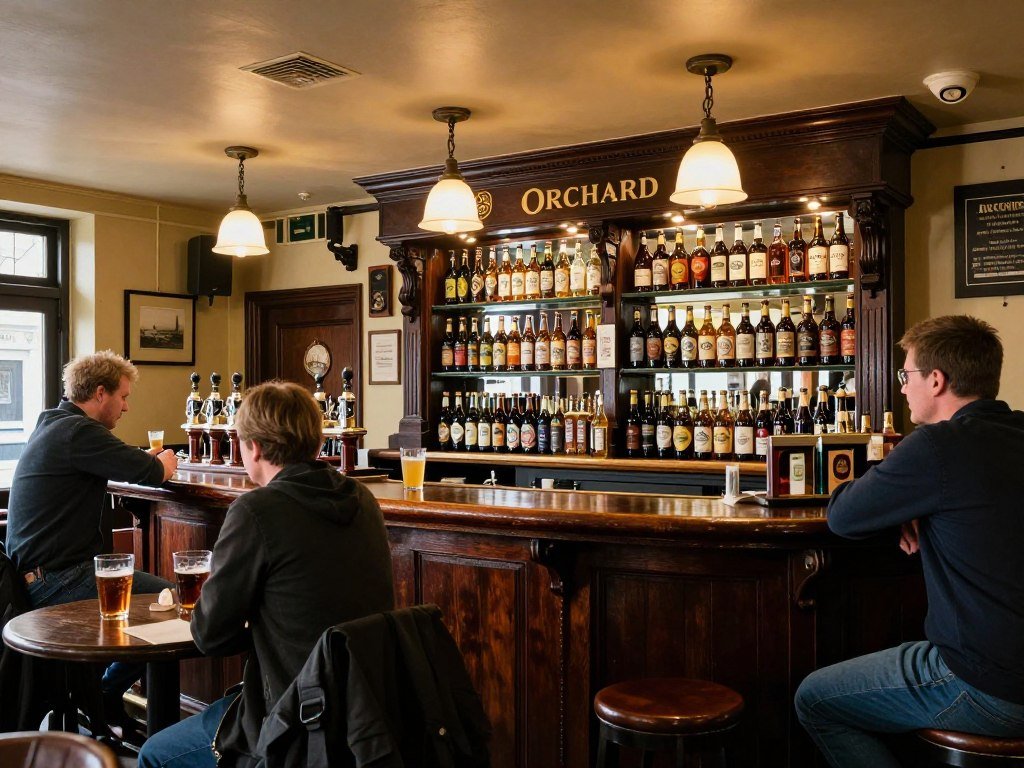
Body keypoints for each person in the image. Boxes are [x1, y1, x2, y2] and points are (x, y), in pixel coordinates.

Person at [795, 315, 1024, 767]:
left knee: (815, 699)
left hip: (989, 684)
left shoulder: (936, 447)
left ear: (936, 380)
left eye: (906, 375)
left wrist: (910, 499)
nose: (902, 389)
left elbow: (842, 515)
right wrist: (918, 505)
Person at [138, 381, 394, 768]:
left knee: (154, 754)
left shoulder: (257, 510)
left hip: (293, 717)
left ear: (253, 447)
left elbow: (210, 634)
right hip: (364, 714)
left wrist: (250, 616)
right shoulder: (362, 499)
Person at [5, 350, 178, 725]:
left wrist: (143, 461)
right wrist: (165, 462)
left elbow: (122, 460)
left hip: (38, 577)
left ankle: (99, 696)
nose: (126, 407)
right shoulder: (78, 432)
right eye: (123, 397)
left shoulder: (56, 424)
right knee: (174, 602)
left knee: (158, 604)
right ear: (101, 393)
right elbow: (152, 472)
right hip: (58, 580)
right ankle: (108, 694)